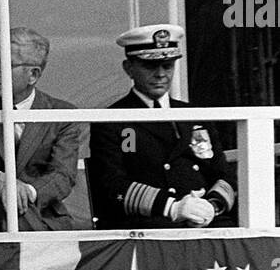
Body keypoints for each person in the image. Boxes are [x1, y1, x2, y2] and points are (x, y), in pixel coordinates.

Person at [87, 23, 235, 229]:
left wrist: (211, 206)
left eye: (168, 65)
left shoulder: (193, 114)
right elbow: (112, 184)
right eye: (150, 66)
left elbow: (223, 173)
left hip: (208, 223)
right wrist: (172, 208)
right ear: (129, 68)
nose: (160, 74)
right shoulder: (113, 120)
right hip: (151, 226)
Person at [0, 28, 80, 231]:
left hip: (42, 214)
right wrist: (0, 181)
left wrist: (25, 192)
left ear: (33, 75)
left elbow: (62, 175)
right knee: (11, 213)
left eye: (5, 65)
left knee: (17, 211)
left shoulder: (62, 114)